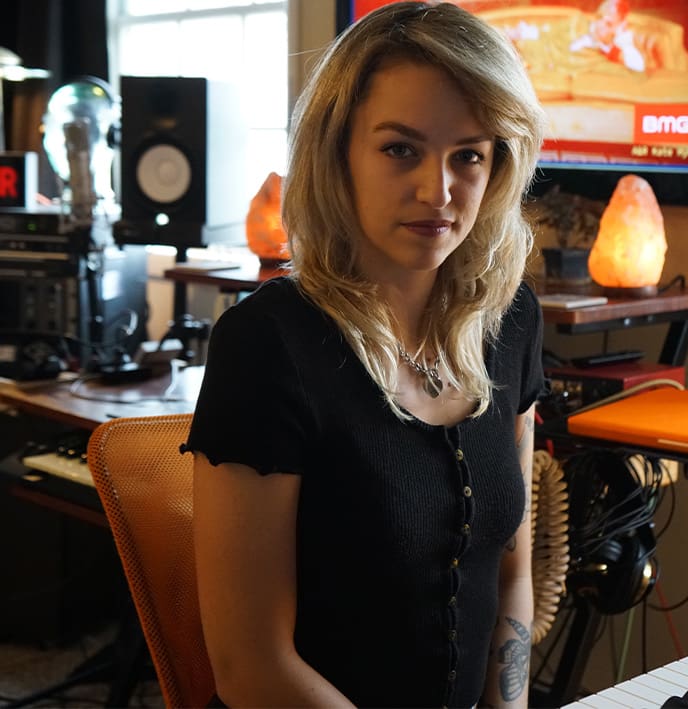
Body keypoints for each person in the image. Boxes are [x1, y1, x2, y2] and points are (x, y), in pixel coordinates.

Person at [182, 2, 548, 706]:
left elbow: (512, 575)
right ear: (337, 152)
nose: (438, 191)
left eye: (468, 155)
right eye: (400, 149)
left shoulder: (512, 320)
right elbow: (250, 666)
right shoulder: (267, 344)